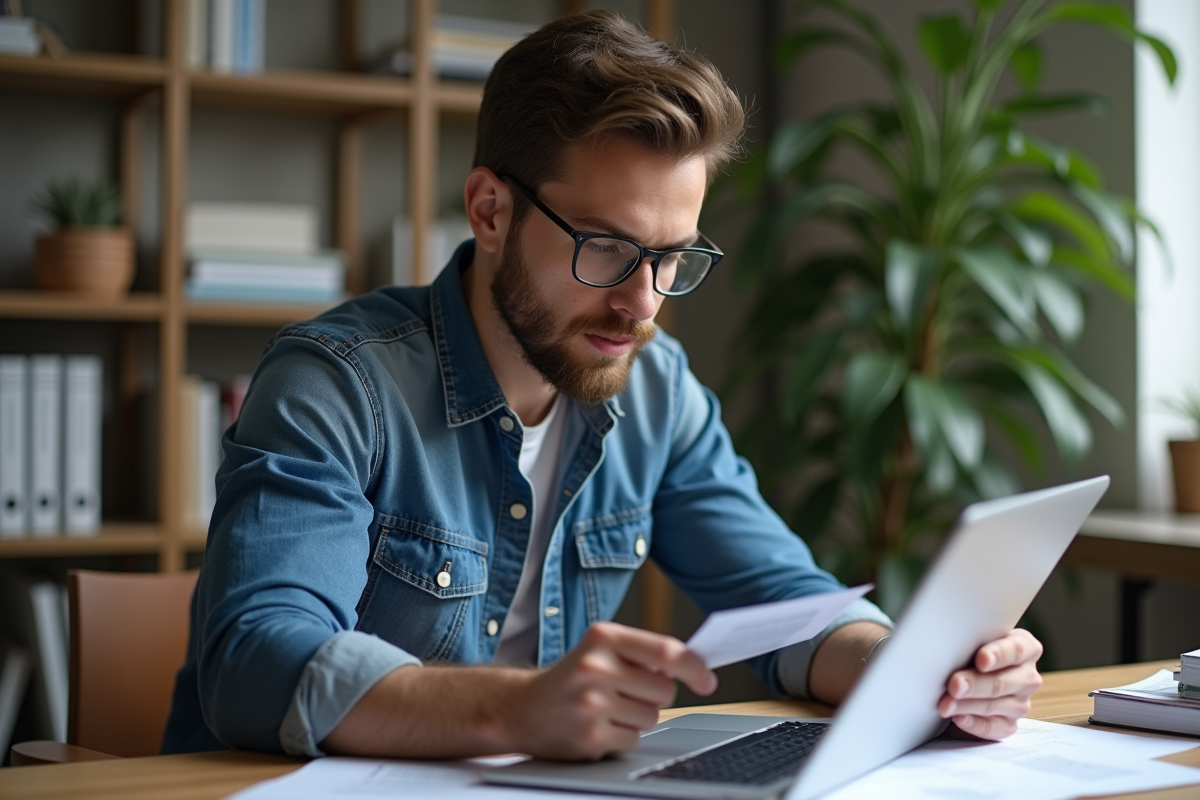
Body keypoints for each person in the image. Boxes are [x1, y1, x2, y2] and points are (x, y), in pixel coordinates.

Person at [162, 9, 1042, 761]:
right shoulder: (336, 385)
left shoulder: (657, 392)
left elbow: (791, 609)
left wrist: (922, 673)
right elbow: (255, 662)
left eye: (672, 258)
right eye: (608, 248)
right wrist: (517, 708)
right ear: (490, 210)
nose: (643, 302)